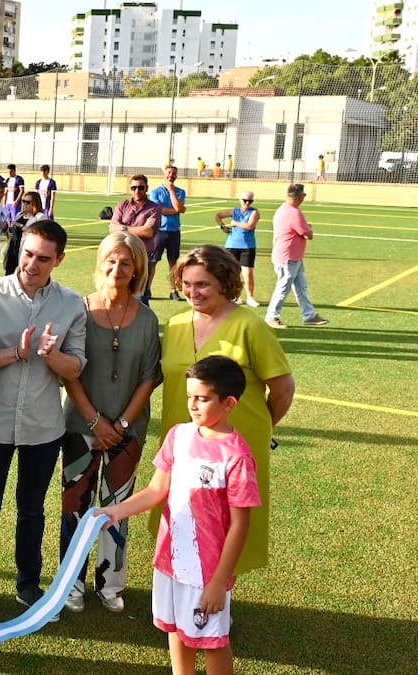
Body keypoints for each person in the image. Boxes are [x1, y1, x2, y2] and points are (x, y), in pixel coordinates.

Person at [99, 355, 260, 675]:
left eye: (202, 398)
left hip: (207, 573)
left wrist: (217, 583)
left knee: (212, 641)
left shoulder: (237, 456)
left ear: (229, 403)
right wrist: (113, 511)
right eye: (190, 397)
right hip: (170, 563)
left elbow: (240, 526)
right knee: (176, 631)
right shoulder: (178, 436)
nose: (193, 405)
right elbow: (156, 490)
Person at [0, 219, 86, 625]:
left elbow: (76, 366)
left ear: (60, 260)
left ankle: (28, 584)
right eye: (27, 253)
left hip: (43, 426)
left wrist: (51, 355)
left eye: (43, 258)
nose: (31, 264)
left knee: (32, 510)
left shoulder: (71, 304)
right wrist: (16, 352)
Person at [159, 244, 294, 580]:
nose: (193, 292)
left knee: (223, 526)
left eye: (202, 284)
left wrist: (259, 428)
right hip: (184, 444)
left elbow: (283, 388)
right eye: (186, 284)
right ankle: (183, 598)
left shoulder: (250, 325)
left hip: (233, 448)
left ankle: (216, 604)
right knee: (183, 520)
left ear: (224, 282)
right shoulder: (175, 324)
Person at [60, 232, 162, 614]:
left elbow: (148, 377)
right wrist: (95, 421)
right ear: (100, 262)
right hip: (79, 427)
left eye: (126, 263)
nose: (117, 269)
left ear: (138, 269)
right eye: (111, 260)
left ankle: (110, 582)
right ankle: (71, 582)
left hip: (127, 431)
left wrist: (118, 424)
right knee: (75, 505)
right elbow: (70, 374)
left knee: (116, 507)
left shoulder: (148, 319)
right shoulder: (79, 311)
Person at [265, 184, 329, 328]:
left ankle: (310, 315)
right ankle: (271, 316)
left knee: (301, 287)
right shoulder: (294, 213)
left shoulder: (283, 210)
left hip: (293, 257)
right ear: (301, 197)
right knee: (283, 288)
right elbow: (308, 234)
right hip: (288, 257)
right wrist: (309, 228)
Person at [109, 174, 163, 276]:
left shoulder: (154, 208)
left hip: (144, 254)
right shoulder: (122, 205)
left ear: (147, 188)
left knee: (143, 289)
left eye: (140, 187)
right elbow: (112, 228)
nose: (137, 191)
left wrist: (123, 228)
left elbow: (148, 232)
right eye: (134, 188)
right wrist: (138, 229)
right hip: (123, 253)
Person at [148, 165, 187, 302]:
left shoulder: (180, 192)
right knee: (153, 261)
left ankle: (173, 290)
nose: (171, 175)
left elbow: (180, 208)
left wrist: (171, 191)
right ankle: (147, 289)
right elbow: (159, 210)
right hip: (159, 231)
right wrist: (176, 209)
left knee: (173, 262)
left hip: (174, 232)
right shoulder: (155, 192)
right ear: (164, 174)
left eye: (174, 173)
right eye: (169, 172)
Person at [215, 192, 261, 307]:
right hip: (232, 244)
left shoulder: (254, 212)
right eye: (245, 200)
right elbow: (218, 215)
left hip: (247, 246)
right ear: (240, 200)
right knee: (232, 272)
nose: (247, 203)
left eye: (250, 201)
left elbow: (250, 226)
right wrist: (223, 226)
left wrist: (235, 223)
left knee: (248, 272)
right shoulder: (234, 211)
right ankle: (235, 296)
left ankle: (250, 297)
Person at [3, 191, 46, 276]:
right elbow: (13, 229)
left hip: (25, 251)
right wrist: (8, 233)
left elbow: (38, 233)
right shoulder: (20, 215)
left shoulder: (39, 217)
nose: (25, 204)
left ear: (35, 203)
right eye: (23, 201)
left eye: (28, 202)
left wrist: (21, 226)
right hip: (13, 250)